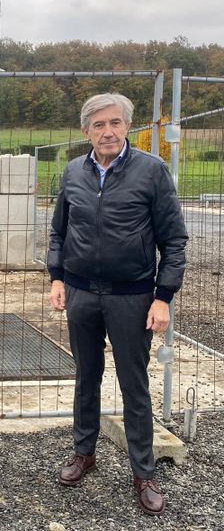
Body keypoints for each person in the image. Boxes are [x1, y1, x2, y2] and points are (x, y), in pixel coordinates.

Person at [47, 93, 188, 516]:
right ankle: (83, 453)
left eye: (115, 123)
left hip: (132, 296)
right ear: (85, 130)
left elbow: (174, 241)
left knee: (134, 383)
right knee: (86, 375)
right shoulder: (73, 172)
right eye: (98, 125)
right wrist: (57, 277)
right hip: (82, 293)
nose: (107, 132)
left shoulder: (152, 171)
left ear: (127, 127)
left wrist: (163, 297)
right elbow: (58, 232)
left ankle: (143, 472)